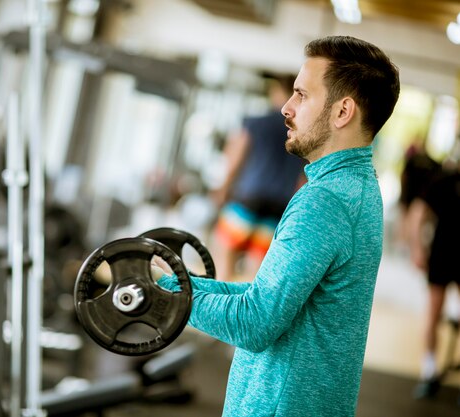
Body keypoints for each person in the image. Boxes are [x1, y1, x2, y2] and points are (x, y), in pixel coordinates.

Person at [155, 35, 400, 416]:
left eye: (301, 95)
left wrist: (164, 293)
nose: (286, 107)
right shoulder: (361, 189)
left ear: (342, 112)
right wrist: (177, 281)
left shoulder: (324, 201)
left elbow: (255, 322)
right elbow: (266, 297)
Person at [211, 74, 305, 281]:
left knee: (225, 251)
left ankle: (223, 298)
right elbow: (303, 177)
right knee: (257, 265)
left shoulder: (256, 123)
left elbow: (235, 158)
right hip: (280, 204)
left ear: (279, 91)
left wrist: (223, 188)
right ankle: (247, 306)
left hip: (248, 198)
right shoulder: (302, 132)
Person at [406, 141, 460, 399]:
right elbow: (418, 213)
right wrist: (417, 249)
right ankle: (429, 372)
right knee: (433, 316)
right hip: (441, 255)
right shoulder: (445, 179)